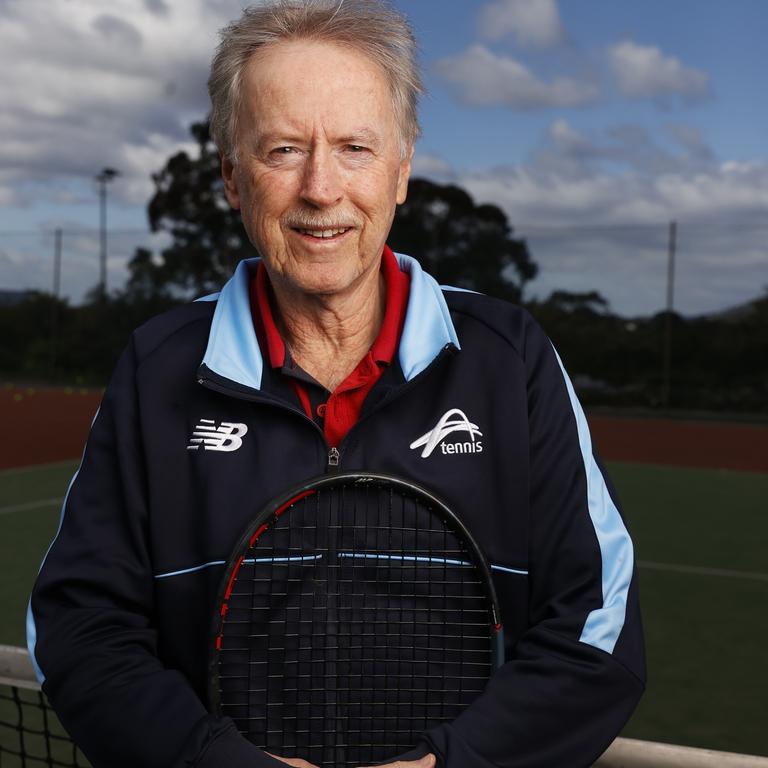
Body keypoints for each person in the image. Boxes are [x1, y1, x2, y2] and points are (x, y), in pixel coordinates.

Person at [27, 1, 645, 766]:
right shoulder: (157, 368)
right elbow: (79, 625)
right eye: (283, 149)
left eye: (355, 147)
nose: (322, 188)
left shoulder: (508, 360)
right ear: (230, 174)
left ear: (401, 168)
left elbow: (599, 629)